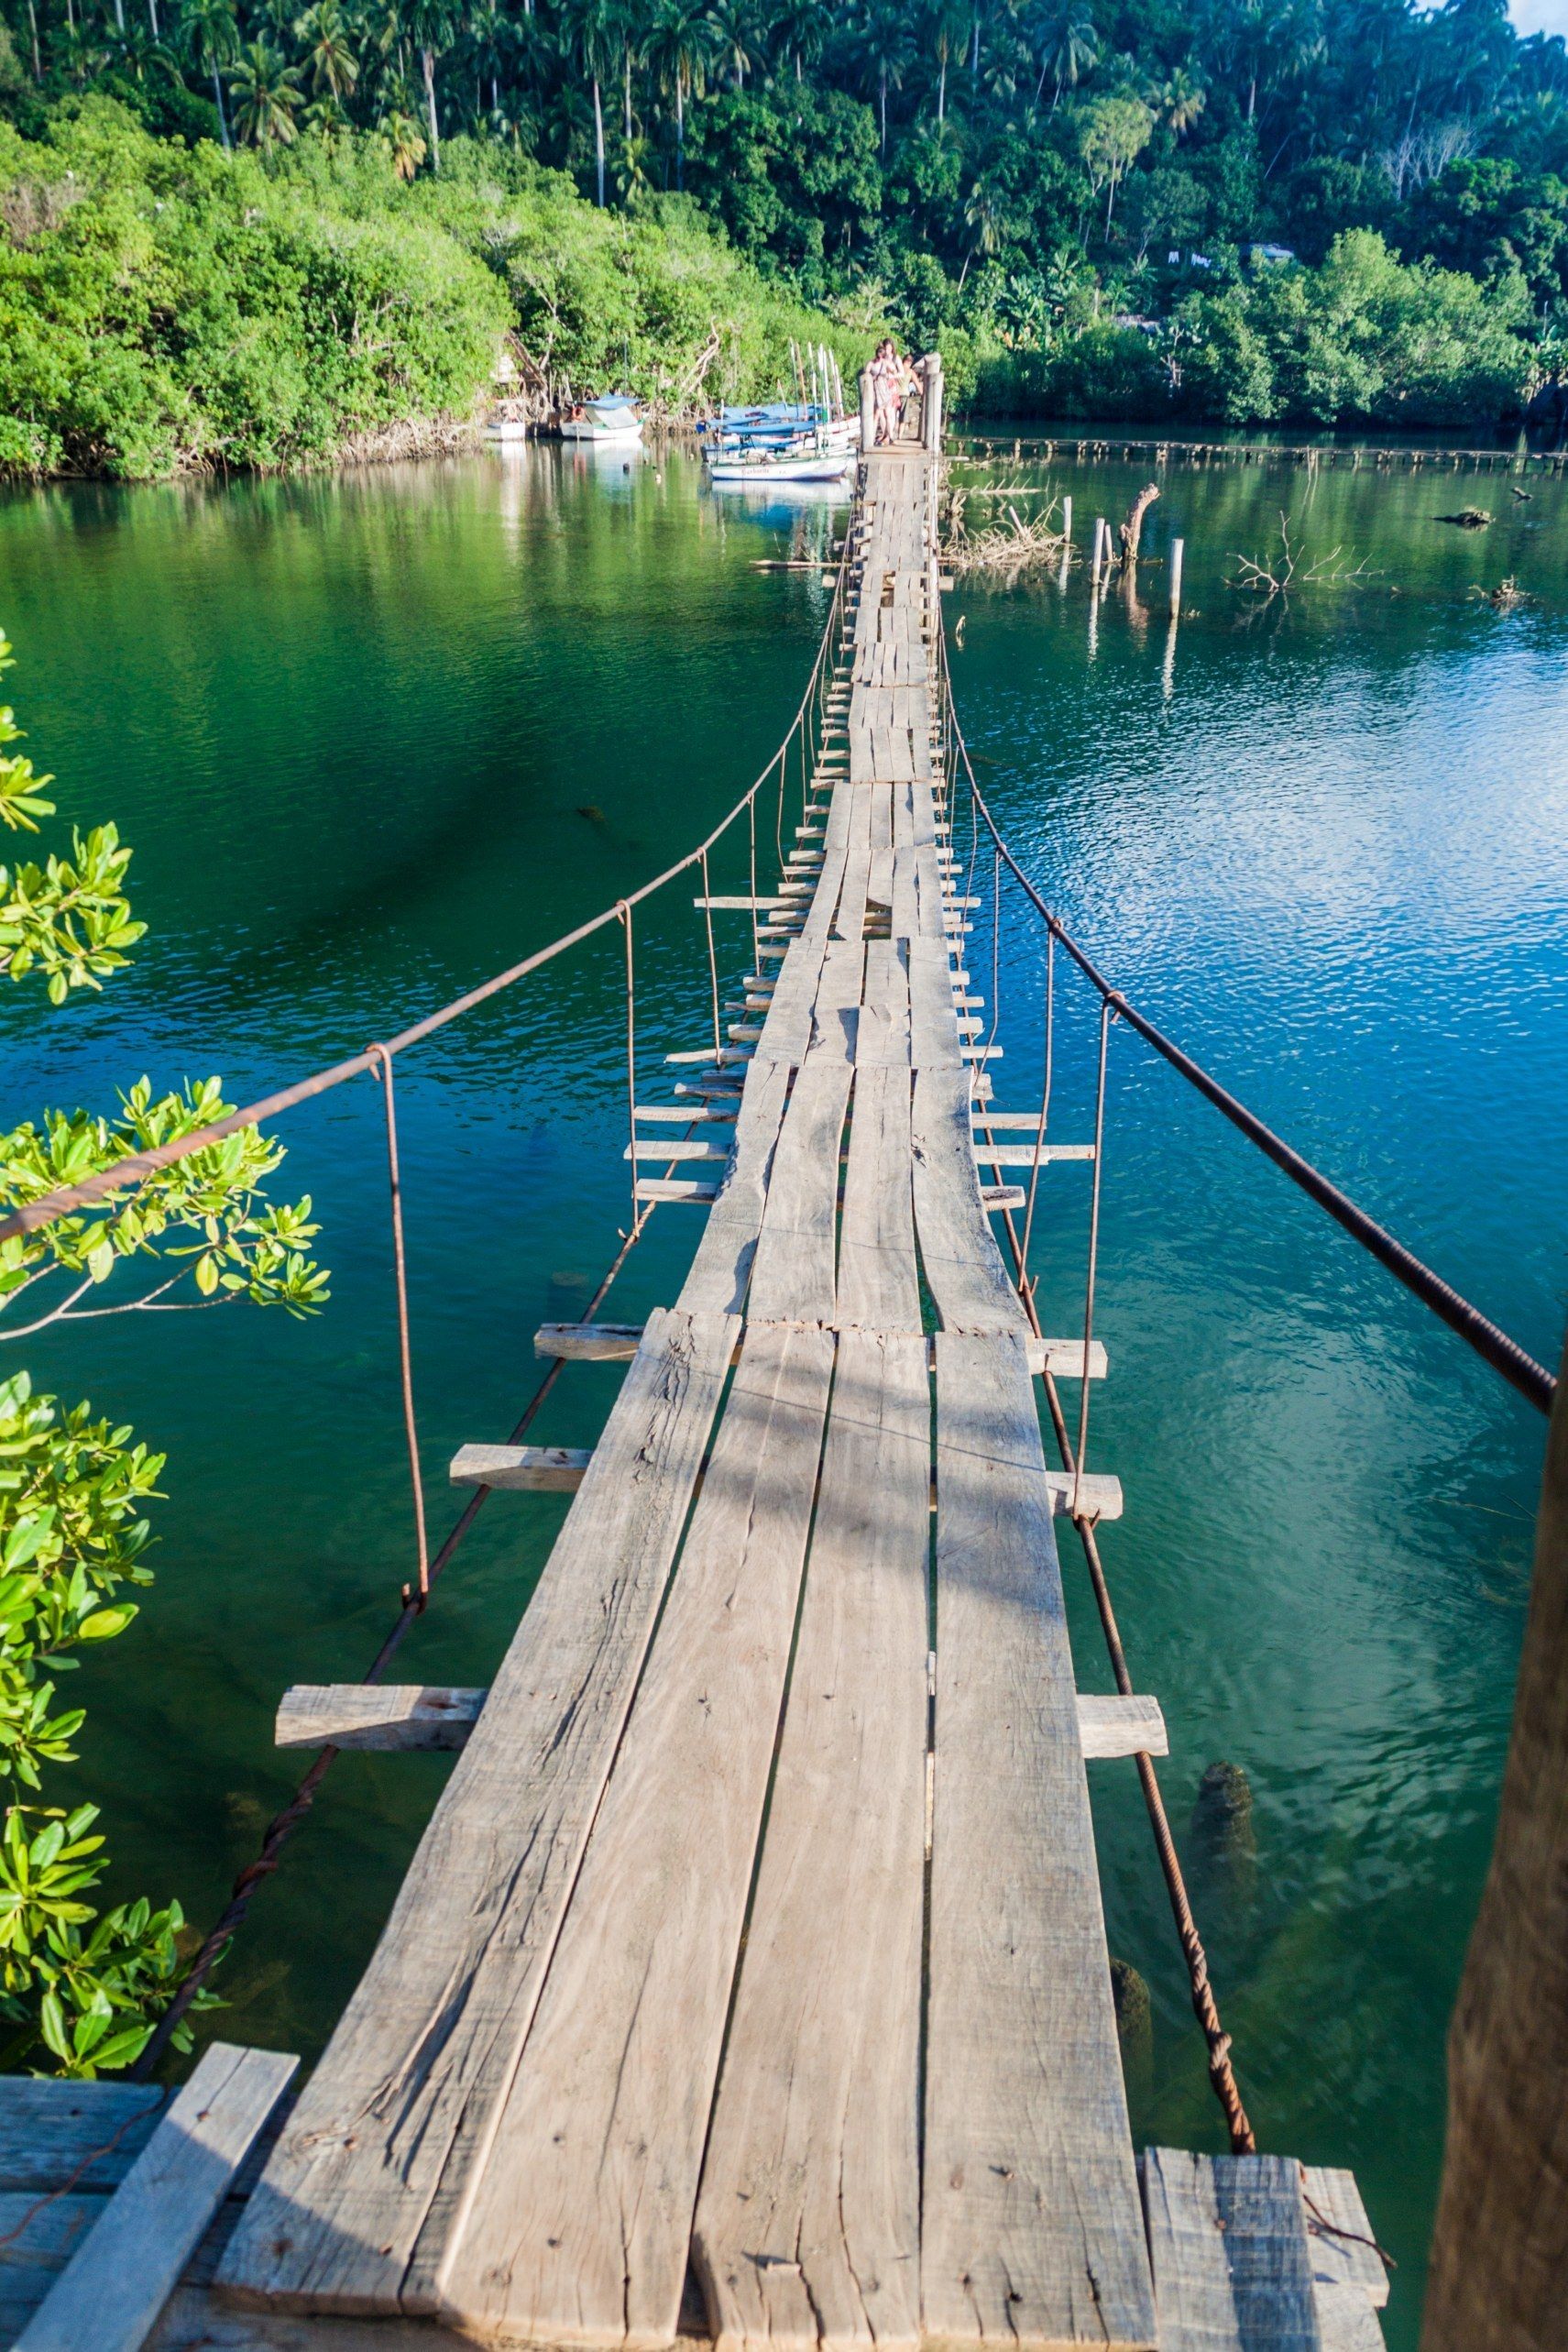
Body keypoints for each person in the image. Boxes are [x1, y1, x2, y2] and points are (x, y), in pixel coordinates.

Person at [870, 338, 910, 447]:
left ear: (892, 347)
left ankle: (889, 436)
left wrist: (891, 376)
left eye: (889, 348)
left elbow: (901, 373)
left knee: (891, 413)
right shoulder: (880, 358)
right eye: (885, 348)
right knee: (880, 413)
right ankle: (885, 434)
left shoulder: (896, 358)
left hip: (891, 387)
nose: (887, 350)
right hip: (881, 387)